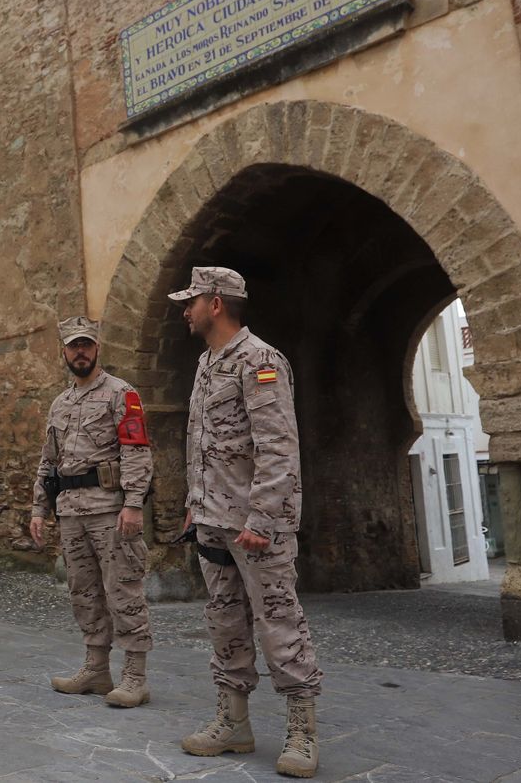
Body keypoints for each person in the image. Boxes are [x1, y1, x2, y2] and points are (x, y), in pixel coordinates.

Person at [170, 267, 323, 778]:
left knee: (278, 620)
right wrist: (195, 502)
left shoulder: (259, 360)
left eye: (191, 301)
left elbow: (278, 446)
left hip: (257, 526)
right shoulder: (206, 363)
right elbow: (201, 441)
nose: (184, 310)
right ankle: (234, 722)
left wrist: (261, 516)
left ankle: (302, 729)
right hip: (213, 520)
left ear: (215, 303)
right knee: (224, 619)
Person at [28, 316, 155, 707]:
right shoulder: (60, 403)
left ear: (97, 348)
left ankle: (135, 676)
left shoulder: (122, 393)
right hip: (70, 511)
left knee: (123, 590)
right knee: (82, 592)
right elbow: (49, 460)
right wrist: (39, 508)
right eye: (73, 346)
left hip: (110, 510)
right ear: (64, 351)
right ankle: (97, 668)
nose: (79, 351)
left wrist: (134, 504)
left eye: (86, 344)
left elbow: (136, 451)